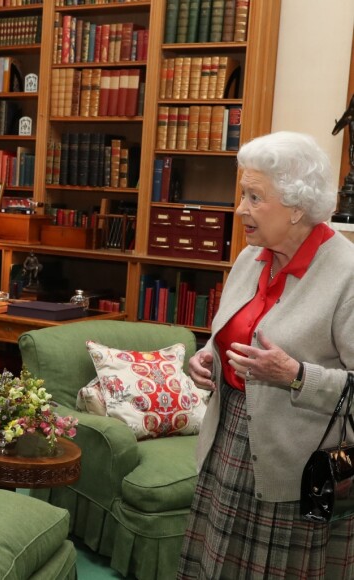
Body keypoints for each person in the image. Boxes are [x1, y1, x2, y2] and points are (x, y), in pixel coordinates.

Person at [177, 131, 354, 579]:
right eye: (243, 194)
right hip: (227, 442)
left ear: (297, 207)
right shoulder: (249, 258)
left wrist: (296, 375)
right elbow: (234, 336)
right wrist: (208, 359)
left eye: (255, 197)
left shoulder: (346, 274)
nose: (240, 210)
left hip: (297, 467)